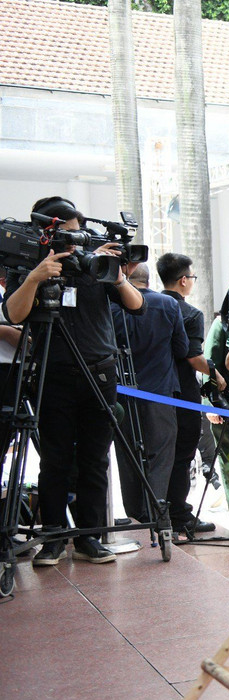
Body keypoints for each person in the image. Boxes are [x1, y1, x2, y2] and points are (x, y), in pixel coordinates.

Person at [3, 196, 146, 566]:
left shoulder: (93, 265)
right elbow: (14, 314)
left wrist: (116, 274)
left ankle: (89, 538)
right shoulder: (29, 264)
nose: (76, 240)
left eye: (78, 233)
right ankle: (53, 537)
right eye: (68, 233)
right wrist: (36, 276)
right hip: (52, 372)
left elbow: (135, 305)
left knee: (96, 458)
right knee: (55, 459)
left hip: (100, 371)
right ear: (46, 232)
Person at [111, 263, 186, 524]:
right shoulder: (168, 305)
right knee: (161, 455)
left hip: (120, 393)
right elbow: (182, 347)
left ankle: (135, 515)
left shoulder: (110, 307)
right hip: (160, 392)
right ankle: (156, 514)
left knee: (127, 454)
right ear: (148, 279)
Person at [157, 253, 220, 536]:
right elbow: (194, 358)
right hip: (182, 393)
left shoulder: (144, 305)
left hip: (151, 392)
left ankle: (155, 512)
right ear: (184, 280)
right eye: (191, 278)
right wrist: (218, 376)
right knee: (183, 454)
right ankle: (179, 515)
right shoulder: (190, 313)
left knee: (157, 455)